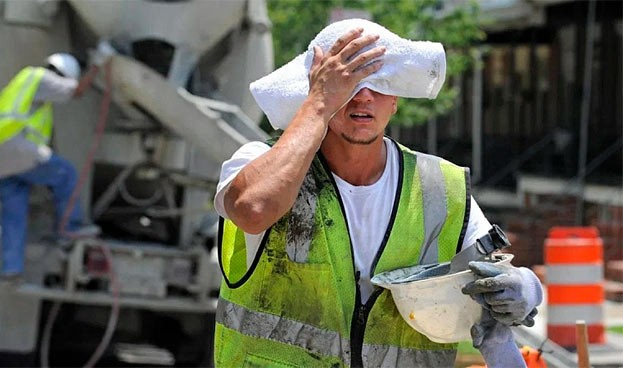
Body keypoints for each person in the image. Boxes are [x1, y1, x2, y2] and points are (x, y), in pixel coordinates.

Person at [213, 19, 542, 367]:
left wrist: (525, 287)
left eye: (380, 81)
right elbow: (253, 209)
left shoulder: (438, 185)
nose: (365, 94)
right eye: (348, 81)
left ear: (396, 99)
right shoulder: (259, 162)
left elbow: (491, 298)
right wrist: (319, 104)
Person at [0, 47, 113, 281]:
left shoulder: (24, 81)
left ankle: (11, 267)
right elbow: (78, 91)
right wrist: (97, 64)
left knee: (13, 212)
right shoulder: (42, 77)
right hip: (17, 150)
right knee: (66, 174)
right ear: (62, 73)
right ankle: (69, 230)